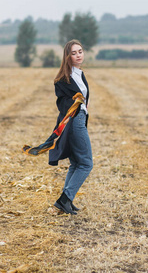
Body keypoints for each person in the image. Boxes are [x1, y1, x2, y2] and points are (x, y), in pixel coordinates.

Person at [50, 39, 93, 215]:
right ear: (67, 56)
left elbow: (83, 96)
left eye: (80, 51)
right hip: (74, 121)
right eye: (74, 53)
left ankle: (66, 201)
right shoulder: (62, 80)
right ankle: (64, 200)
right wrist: (75, 103)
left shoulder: (79, 74)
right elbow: (62, 104)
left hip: (81, 119)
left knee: (76, 162)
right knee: (86, 163)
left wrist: (83, 103)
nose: (78, 55)